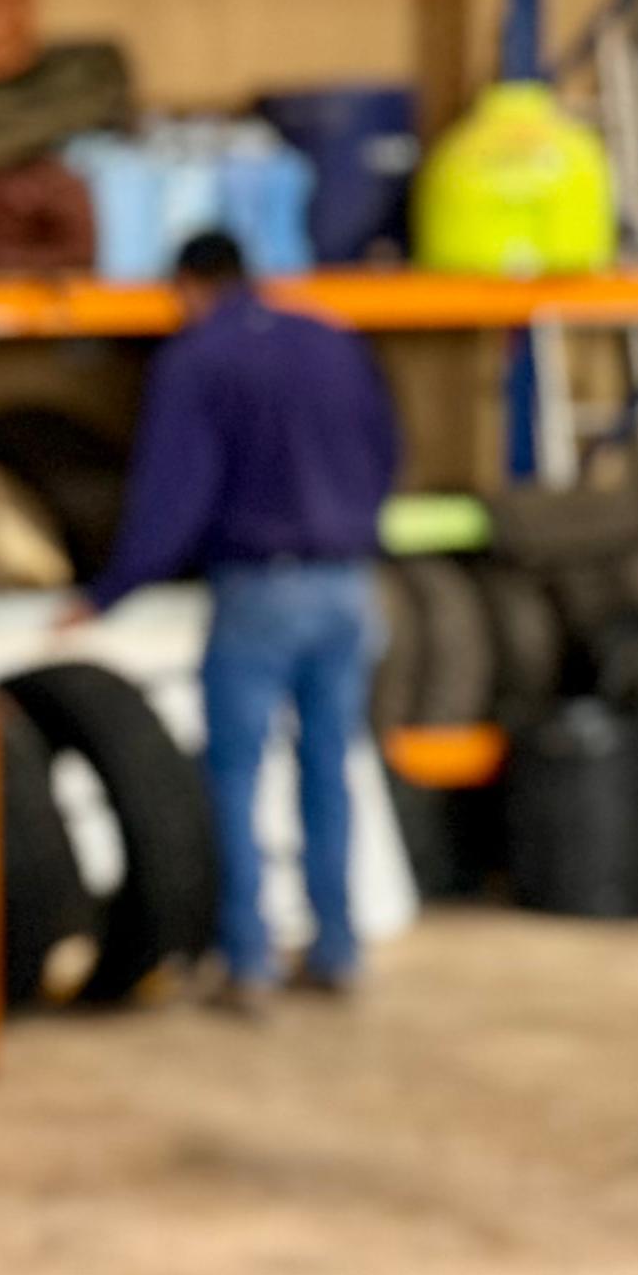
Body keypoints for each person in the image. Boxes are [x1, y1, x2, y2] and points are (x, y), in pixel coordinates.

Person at [87, 227, 399, 1011]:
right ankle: (337, 951)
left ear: (189, 286)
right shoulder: (332, 341)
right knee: (331, 766)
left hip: (260, 586)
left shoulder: (198, 359)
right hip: (349, 583)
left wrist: (107, 593)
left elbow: (172, 495)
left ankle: (249, 961)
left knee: (234, 773)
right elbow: (387, 449)